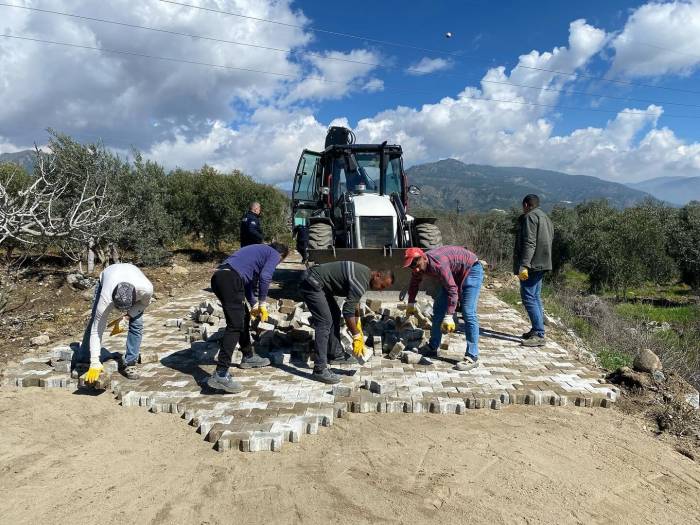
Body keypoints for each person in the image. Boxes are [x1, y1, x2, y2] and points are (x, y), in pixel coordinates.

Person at [207, 242, 289, 393]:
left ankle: (248, 356)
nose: (276, 264)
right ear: (281, 256)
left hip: (220, 278)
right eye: (280, 262)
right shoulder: (273, 254)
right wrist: (263, 303)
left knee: (243, 317)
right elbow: (265, 276)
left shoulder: (256, 253)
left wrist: (254, 304)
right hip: (230, 280)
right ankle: (220, 373)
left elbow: (248, 284)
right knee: (235, 325)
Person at [299, 262, 394, 384]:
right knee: (324, 322)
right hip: (311, 282)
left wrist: (358, 322)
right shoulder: (361, 281)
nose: (381, 290)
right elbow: (348, 312)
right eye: (382, 286)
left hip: (319, 283)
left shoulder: (365, 273)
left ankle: (335, 354)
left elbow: (354, 304)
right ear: (377, 275)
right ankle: (319, 369)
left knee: (335, 314)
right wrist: (356, 336)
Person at [404, 246, 484, 371]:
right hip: (454, 273)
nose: (416, 268)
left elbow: (453, 289)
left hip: (471, 270)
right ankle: (433, 346)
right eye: (412, 266)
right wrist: (410, 303)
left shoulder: (438, 264)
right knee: (438, 308)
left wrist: (449, 316)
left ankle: (472, 356)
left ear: (424, 258)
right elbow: (414, 283)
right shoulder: (418, 268)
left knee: (468, 312)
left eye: (417, 264)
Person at [73, 263, 153, 383]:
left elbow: (143, 304)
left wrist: (127, 317)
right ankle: (85, 359)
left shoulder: (146, 289)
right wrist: (95, 361)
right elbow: (97, 328)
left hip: (132, 273)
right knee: (94, 321)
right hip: (108, 276)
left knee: (137, 324)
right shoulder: (106, 296)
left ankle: (130, 363)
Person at [513, 194, 554, 347]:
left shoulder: (530, 217)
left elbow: (529, 242)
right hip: (543, 262)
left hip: (532, 264)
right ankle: (537, 329)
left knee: (528, 297)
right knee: (535, 296)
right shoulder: (545, 217)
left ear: (526, 205)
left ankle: (539, 333)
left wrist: (525, 264)